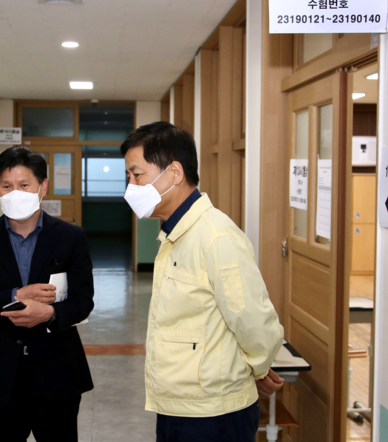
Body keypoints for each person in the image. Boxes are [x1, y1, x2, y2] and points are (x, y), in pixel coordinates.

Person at [120, 122, 284, 442]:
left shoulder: (216, 237)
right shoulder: (176, 232)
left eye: (137, 175)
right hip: (179, 405)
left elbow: (253, 321)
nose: (131, 186)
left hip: (213, 413)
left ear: (174, 173)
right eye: (129, 176)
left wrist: (259, 370)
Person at [0, 147, 94, 442]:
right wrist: (15, 295)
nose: (15, 192)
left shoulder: (70, 237)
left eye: (24, 184)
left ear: (43, 187)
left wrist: (51, 313)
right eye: (7, 186)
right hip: (1, 373)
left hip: (57, 370)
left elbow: (83, 301)